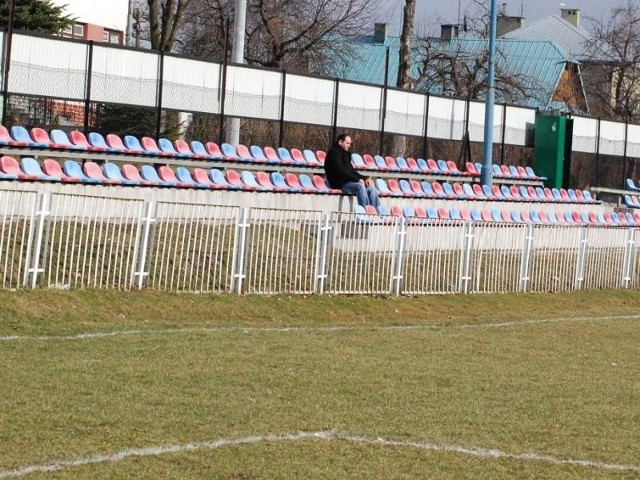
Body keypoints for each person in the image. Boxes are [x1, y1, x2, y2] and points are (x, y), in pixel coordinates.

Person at [323, 133, 380, 209]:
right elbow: (341, 171)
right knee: (360, 186)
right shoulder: (333, 153)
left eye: (349, 143)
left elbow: (351, 171)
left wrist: (365, 178)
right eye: (347, 143)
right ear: (340, 142)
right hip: (338, 183)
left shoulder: (345, 154)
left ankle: (376, 213)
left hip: (347, 181)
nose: (349, 145)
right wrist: (357, 180)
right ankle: (366, 212)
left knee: (371, 187)